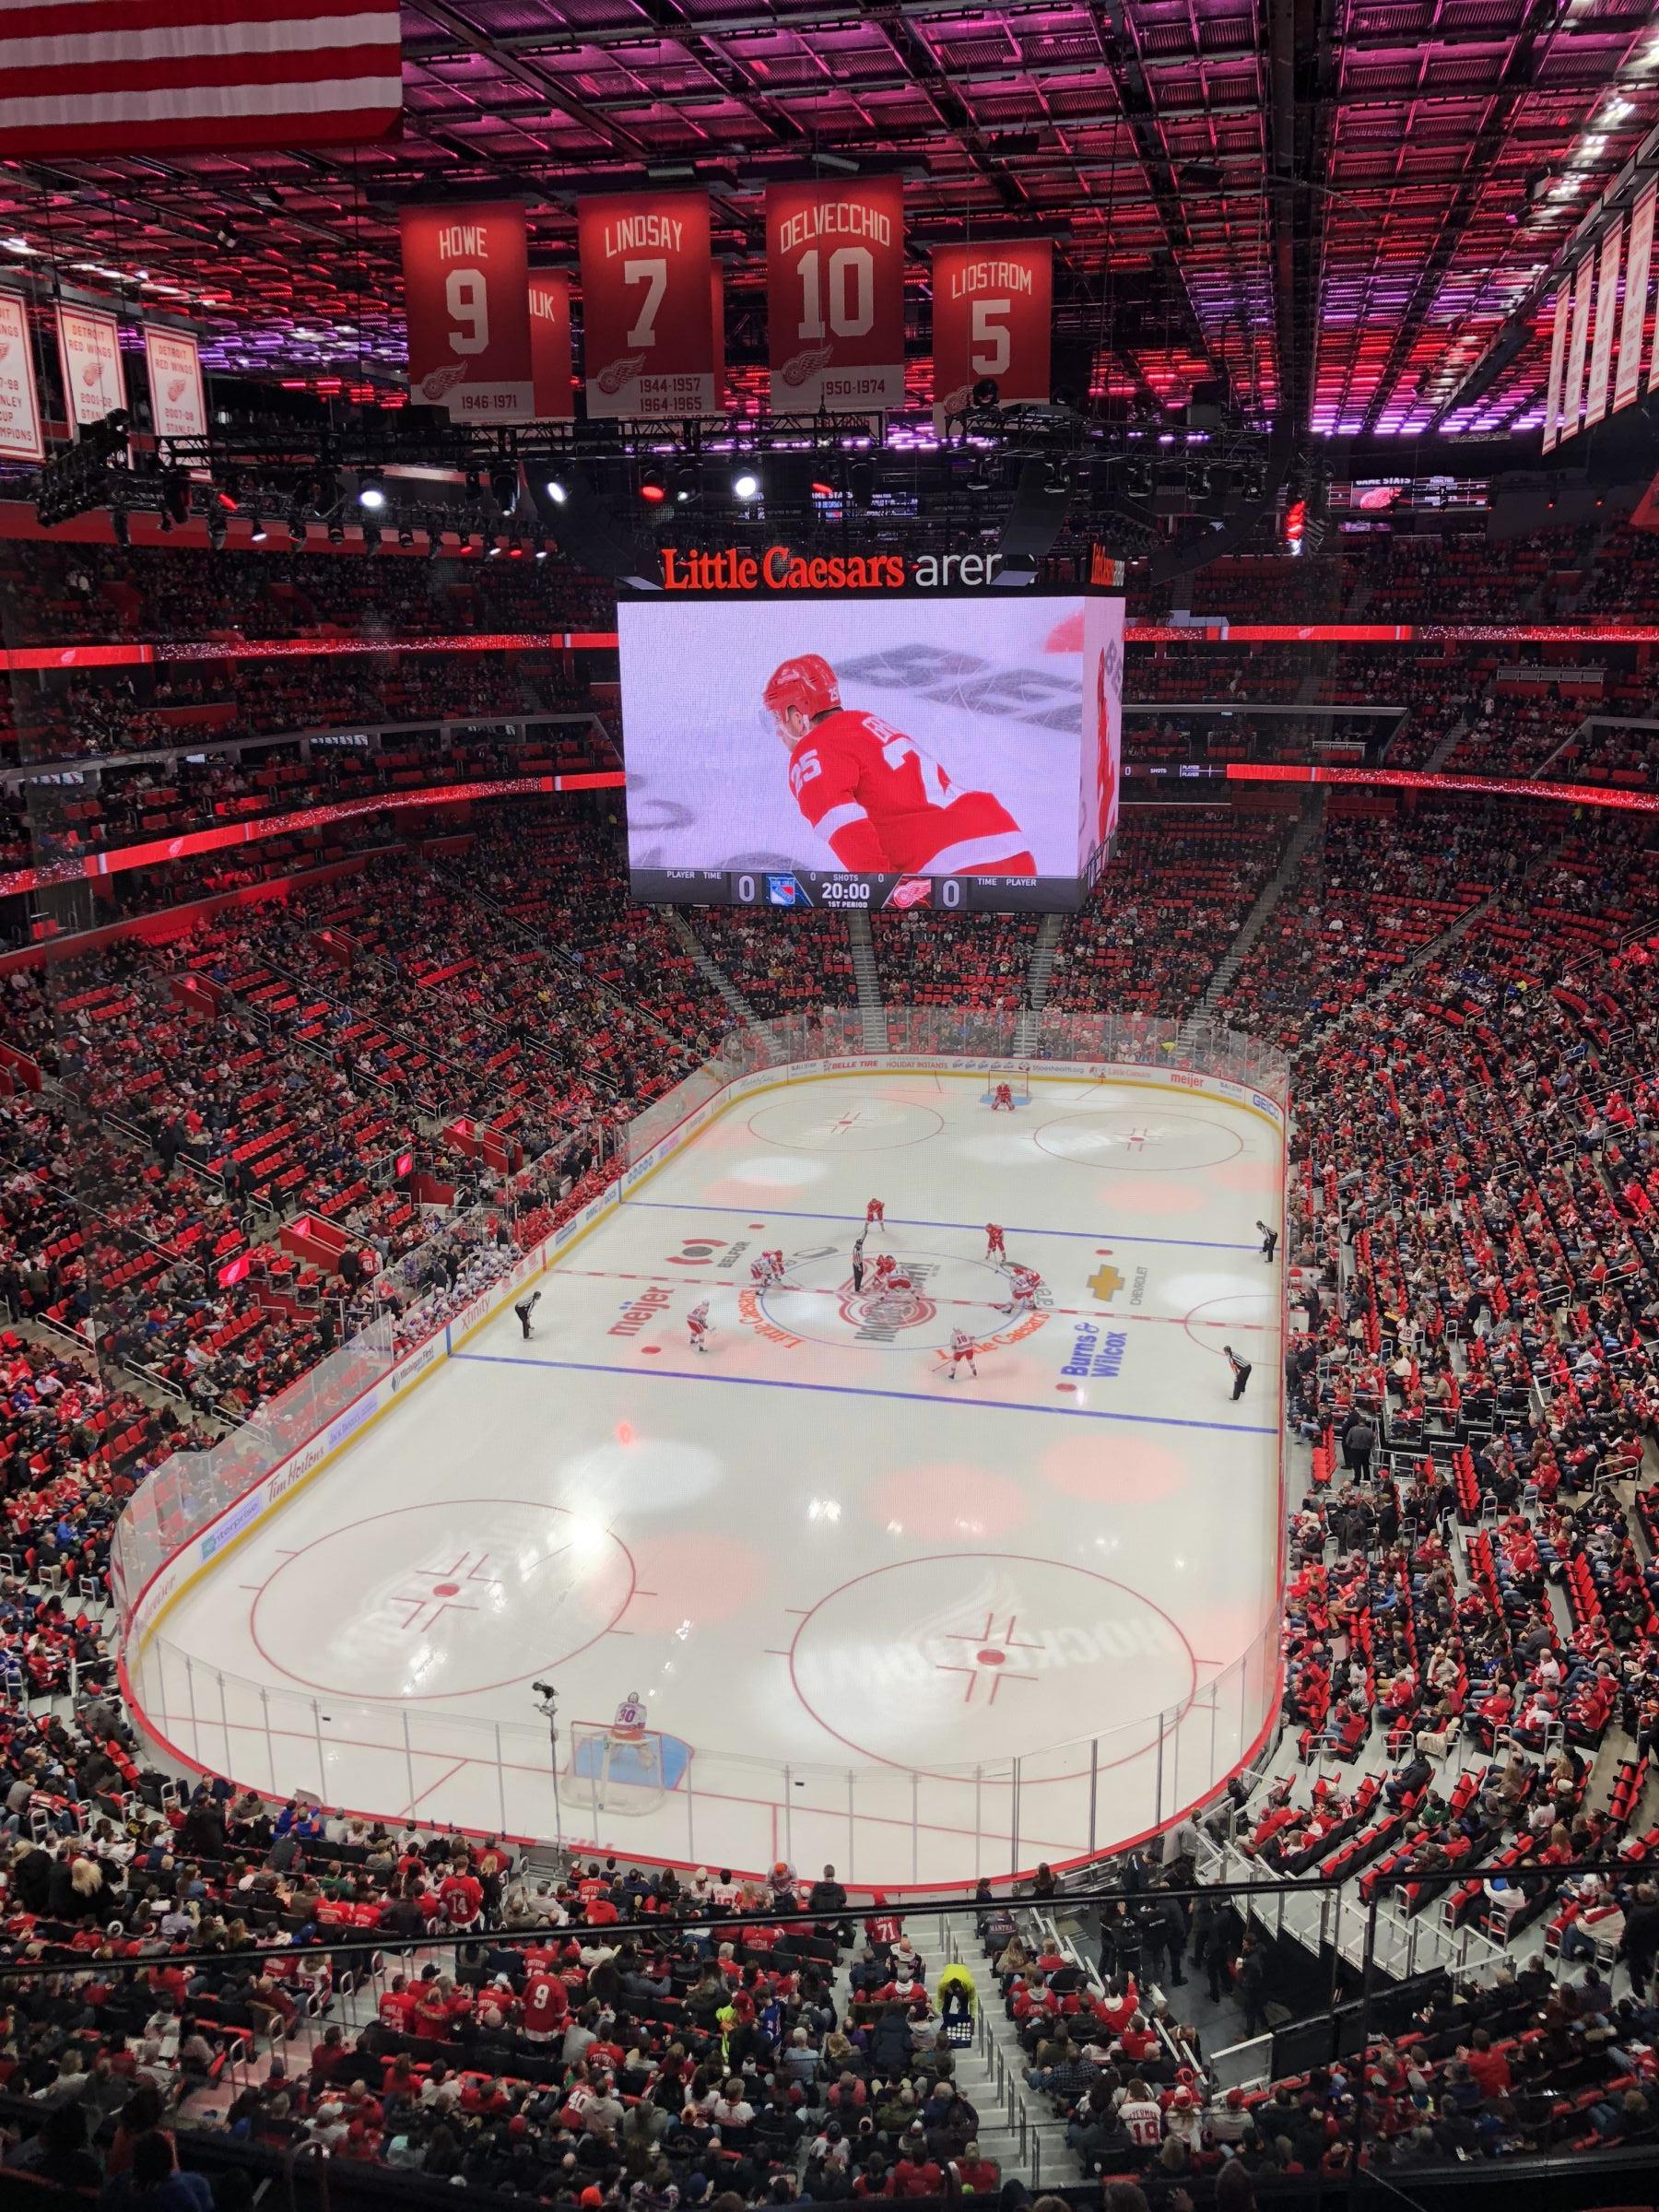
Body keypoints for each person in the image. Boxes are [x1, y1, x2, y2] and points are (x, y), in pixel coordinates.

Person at [764, 654, 1036, 877]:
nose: (778, 731)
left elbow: (846, 827)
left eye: (779, 717)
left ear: (798, 717)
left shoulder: (811, 749)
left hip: (949, 863)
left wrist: (889, 895)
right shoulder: (864, 722)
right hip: (1006, 841)